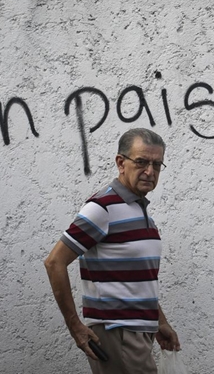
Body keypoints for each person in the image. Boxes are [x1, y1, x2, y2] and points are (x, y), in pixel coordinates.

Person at [44, 128, 180, 374]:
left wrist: (160, 321)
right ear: (120, 162)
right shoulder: (102, 208)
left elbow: (138, 280)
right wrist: (75, 326)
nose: (150, 171)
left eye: (157, 164)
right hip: (117, 333)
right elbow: (55, 262)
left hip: (137, 333)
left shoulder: (140, 211)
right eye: (141, 162)